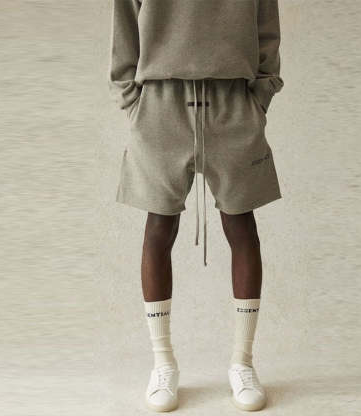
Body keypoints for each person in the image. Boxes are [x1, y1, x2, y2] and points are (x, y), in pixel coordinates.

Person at [108, 0, 284, 412]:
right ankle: (163, 363)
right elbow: (125, 26)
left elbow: (267, 28)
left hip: (233, 101)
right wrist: (132, 100)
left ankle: (243, 362)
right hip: (160, 103)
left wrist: (260, 96)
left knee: (241, 226)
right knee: (159, 226)